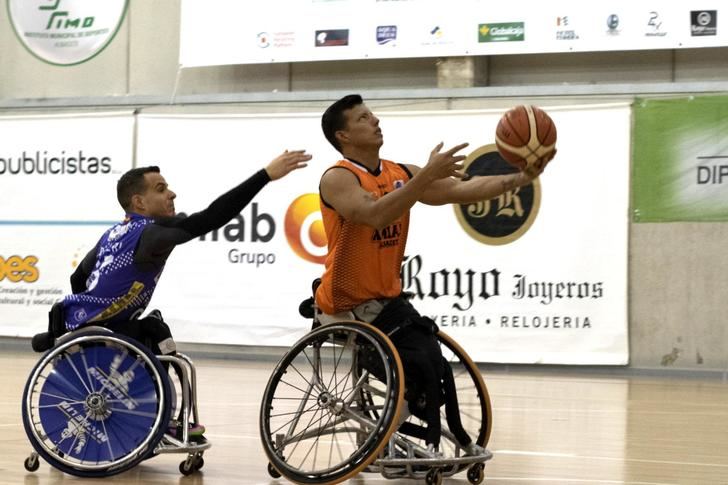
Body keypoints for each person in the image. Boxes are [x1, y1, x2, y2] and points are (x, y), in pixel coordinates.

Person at [315, 94, 553, 455]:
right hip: (347, 302)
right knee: (414, 366)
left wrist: (520, 178)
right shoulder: (338, 178)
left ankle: (394, 436)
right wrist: (426, 173)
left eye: (372, 114)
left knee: (434, 366)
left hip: (386, 302)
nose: (375, 120)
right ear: (343, 136)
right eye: (363, 118)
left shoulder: (398, 172)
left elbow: (459, 189)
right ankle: (381, 442)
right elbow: (376, 214)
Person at [58, 149, 311, 436]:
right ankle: (159, 420)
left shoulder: (116, 233)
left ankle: (155, 417)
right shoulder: (150, 234)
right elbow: (211, 218)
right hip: (102, 332)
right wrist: (264, 176)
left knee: (153, 328)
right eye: (161, 189)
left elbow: (78, 277)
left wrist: (94, 311)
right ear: (139, 202)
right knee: (150, 332)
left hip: (88, 325)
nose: (172, 194)